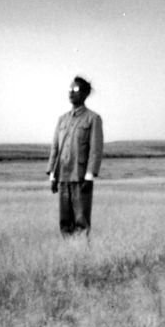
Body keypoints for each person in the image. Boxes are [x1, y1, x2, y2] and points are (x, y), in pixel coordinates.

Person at [46, 76, 103, 237]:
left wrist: (89, 176)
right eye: (70, 89)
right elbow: (55, 148)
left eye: (76, 90)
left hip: (81, 177)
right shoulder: (62, 119)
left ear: (85, 94)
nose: (71, 93)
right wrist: (52, 176)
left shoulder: (93, 118)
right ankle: (68, 255)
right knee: (65, 222)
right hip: (63, 176)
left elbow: (95, 149)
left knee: (81, 221)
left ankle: (82, 256)